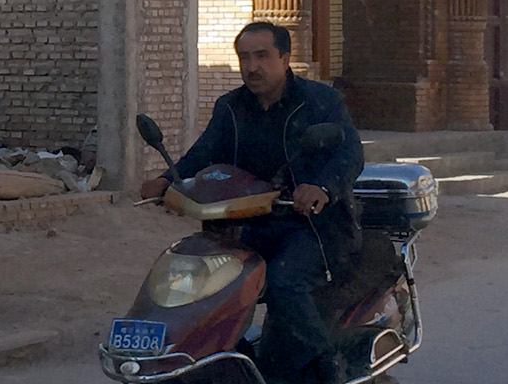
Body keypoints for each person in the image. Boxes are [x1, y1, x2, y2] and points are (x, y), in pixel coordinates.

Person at [139, 21, 363, 384]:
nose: (252, 66)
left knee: (283, 281)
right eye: (244, 57)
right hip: (248, 223)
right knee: (205, 277)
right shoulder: (231, 107)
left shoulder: (321, 102)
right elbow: (205, 152)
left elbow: (350, 154)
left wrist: (321, 187)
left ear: (285, 58)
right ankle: (224, 357)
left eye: (262, 56)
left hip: (312, 226)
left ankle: (326, 364)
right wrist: (167, 179)